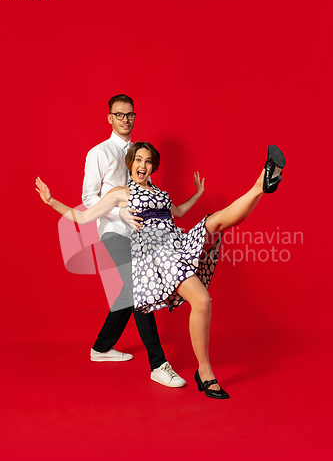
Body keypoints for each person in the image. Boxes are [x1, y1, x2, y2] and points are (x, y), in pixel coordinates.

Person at [36, 141, 286, 399]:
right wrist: (52, 201)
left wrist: (198, 193)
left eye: (147, 161)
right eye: (138, 160)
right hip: (154, 254)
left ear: (153, 166)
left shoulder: (161, 193)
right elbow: (85, 218)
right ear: (130, 163)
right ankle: (204, 372)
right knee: (201, 295)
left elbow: (177, 213)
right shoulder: (120, 193)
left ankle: (261, 184)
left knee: (215, 230)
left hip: (174, 243)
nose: (142, 165)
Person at [81, 94, 204, 388]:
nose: (125, 119)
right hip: (115, 230)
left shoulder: (139, 152)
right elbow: (88, 198)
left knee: (127, 293)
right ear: (109, 118)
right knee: (139, 288)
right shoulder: (98, 153)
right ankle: (158, 363)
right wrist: (119, 211)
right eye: (119, 115)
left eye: (130, 114)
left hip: (146, 235)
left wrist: (196, 195)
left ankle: (100, 348)